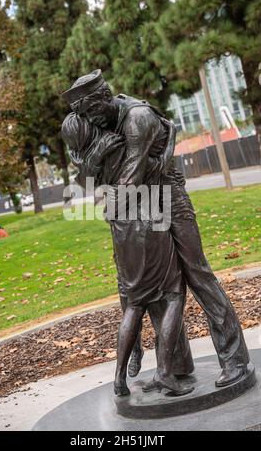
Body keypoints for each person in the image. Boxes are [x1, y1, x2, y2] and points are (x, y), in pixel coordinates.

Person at [62, 69, 250, 388]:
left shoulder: (136, 118)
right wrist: (95, 158)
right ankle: (175, 368)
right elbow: (88, 177)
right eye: (85, 116)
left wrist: (109, 204)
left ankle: (235, 359)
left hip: (168, 197)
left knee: (197, 273)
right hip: (141, 203)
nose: (91, 123)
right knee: (159, 286)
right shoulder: (99, 123)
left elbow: (128, 178)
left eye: (92, 113)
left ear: (103, 100)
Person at [62, 112, 194, 397]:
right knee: (173, 294)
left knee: (134, 303)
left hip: (120, 232)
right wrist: (171, 136)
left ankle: (119, 378)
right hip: (148, 222)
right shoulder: (118, 144)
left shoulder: (86, 159)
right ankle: (165, 373)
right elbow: (157, 167)